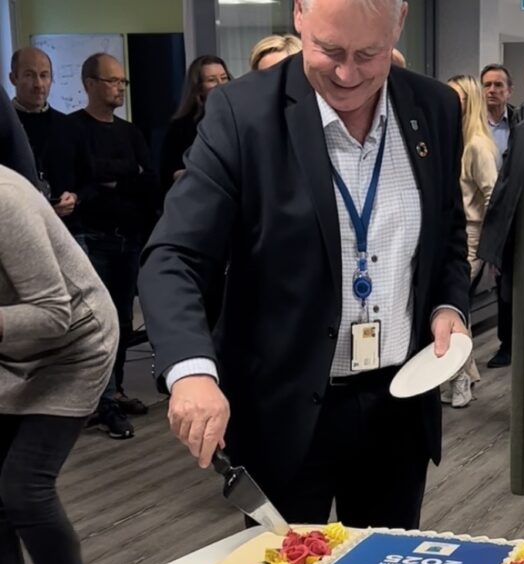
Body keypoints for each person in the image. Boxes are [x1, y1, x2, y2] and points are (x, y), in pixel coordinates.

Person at [138, 0, 469, 530]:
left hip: (400, 407)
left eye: (370, 53)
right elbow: (173, 256)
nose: (348, 74)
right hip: (286, 412)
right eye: (330, 50)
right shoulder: (241, 113)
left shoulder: (434, 107)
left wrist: (448, 305)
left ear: (399, 24)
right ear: (299, 15)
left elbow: (446, 231)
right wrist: (191, 372)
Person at [0, 164, 118, 564]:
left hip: (76, 346)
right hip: (12, 348)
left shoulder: (4, 200)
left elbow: (53, 313)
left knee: (24, 488)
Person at [70, 52, 161, 436]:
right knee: (99, 323)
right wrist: (123, 178)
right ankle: (101, 402)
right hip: (92, 239)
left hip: (130, 239)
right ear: (89, 83)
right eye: (112, 81)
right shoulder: (73, 129)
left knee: (123, 321)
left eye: (122, 81)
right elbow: (84, 180)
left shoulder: (130, 133)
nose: (119, 88)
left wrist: (113, 180)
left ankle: (116, 389)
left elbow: (149, 180)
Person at [446, 74, 498, 408]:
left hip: (471, 238)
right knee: (452, 310)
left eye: (456, 98)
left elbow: (494, 195)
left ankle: (461, 378)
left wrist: (491, 249)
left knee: (455, 310)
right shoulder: (454, 140)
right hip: (452, 234)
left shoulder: (478, 145)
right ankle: (460, 375)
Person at [9, 47, 88, 223]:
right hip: (17, 227)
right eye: (29, 75)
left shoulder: (70, 126)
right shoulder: (5, 127)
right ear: (13, 78)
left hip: (68, 229)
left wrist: (75, 197)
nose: (38, 84)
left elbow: (90, 180)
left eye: (44, 75)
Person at [160, 55, 233, 190]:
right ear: (198, 88)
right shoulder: (182, 126)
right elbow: (168, 171)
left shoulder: (241, 118)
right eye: (212, 80)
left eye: (224, 78)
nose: (221, 84)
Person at [480, 63, 514, 162]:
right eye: (487, 85)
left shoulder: (519, 120)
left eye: (498, 85)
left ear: (510, 91)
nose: (492, 90)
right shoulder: (472, 121)